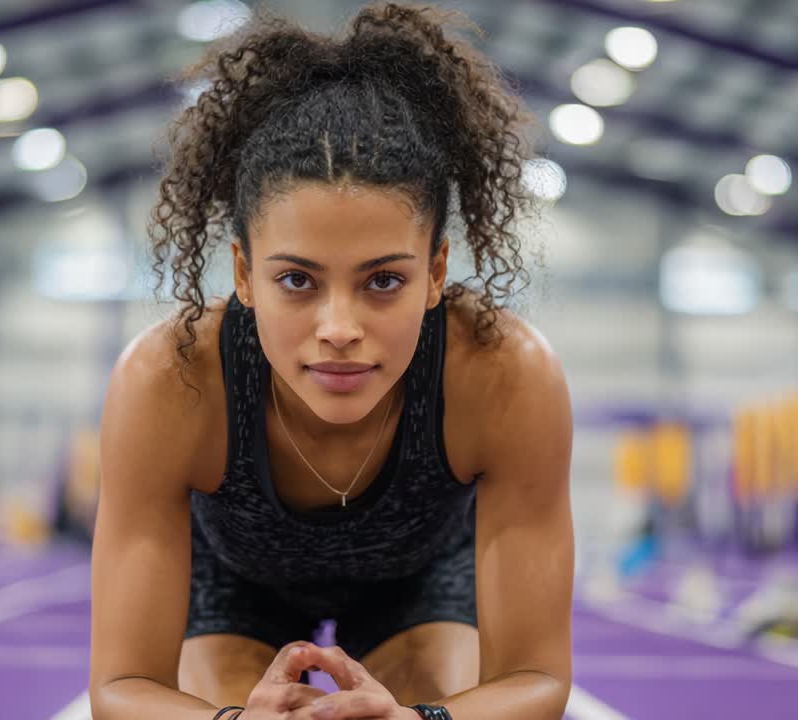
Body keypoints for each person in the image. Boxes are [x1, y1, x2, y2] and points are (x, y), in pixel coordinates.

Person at [89, 3, 573, 719]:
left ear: (437, 271)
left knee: (447, 693)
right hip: (232, 579)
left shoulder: (504, 374)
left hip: (421, 582)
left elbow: (537, 680)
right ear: (244, 275)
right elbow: (120, 692)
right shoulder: (171, 380)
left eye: (383, 281)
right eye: (297, 281)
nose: (340, 329)